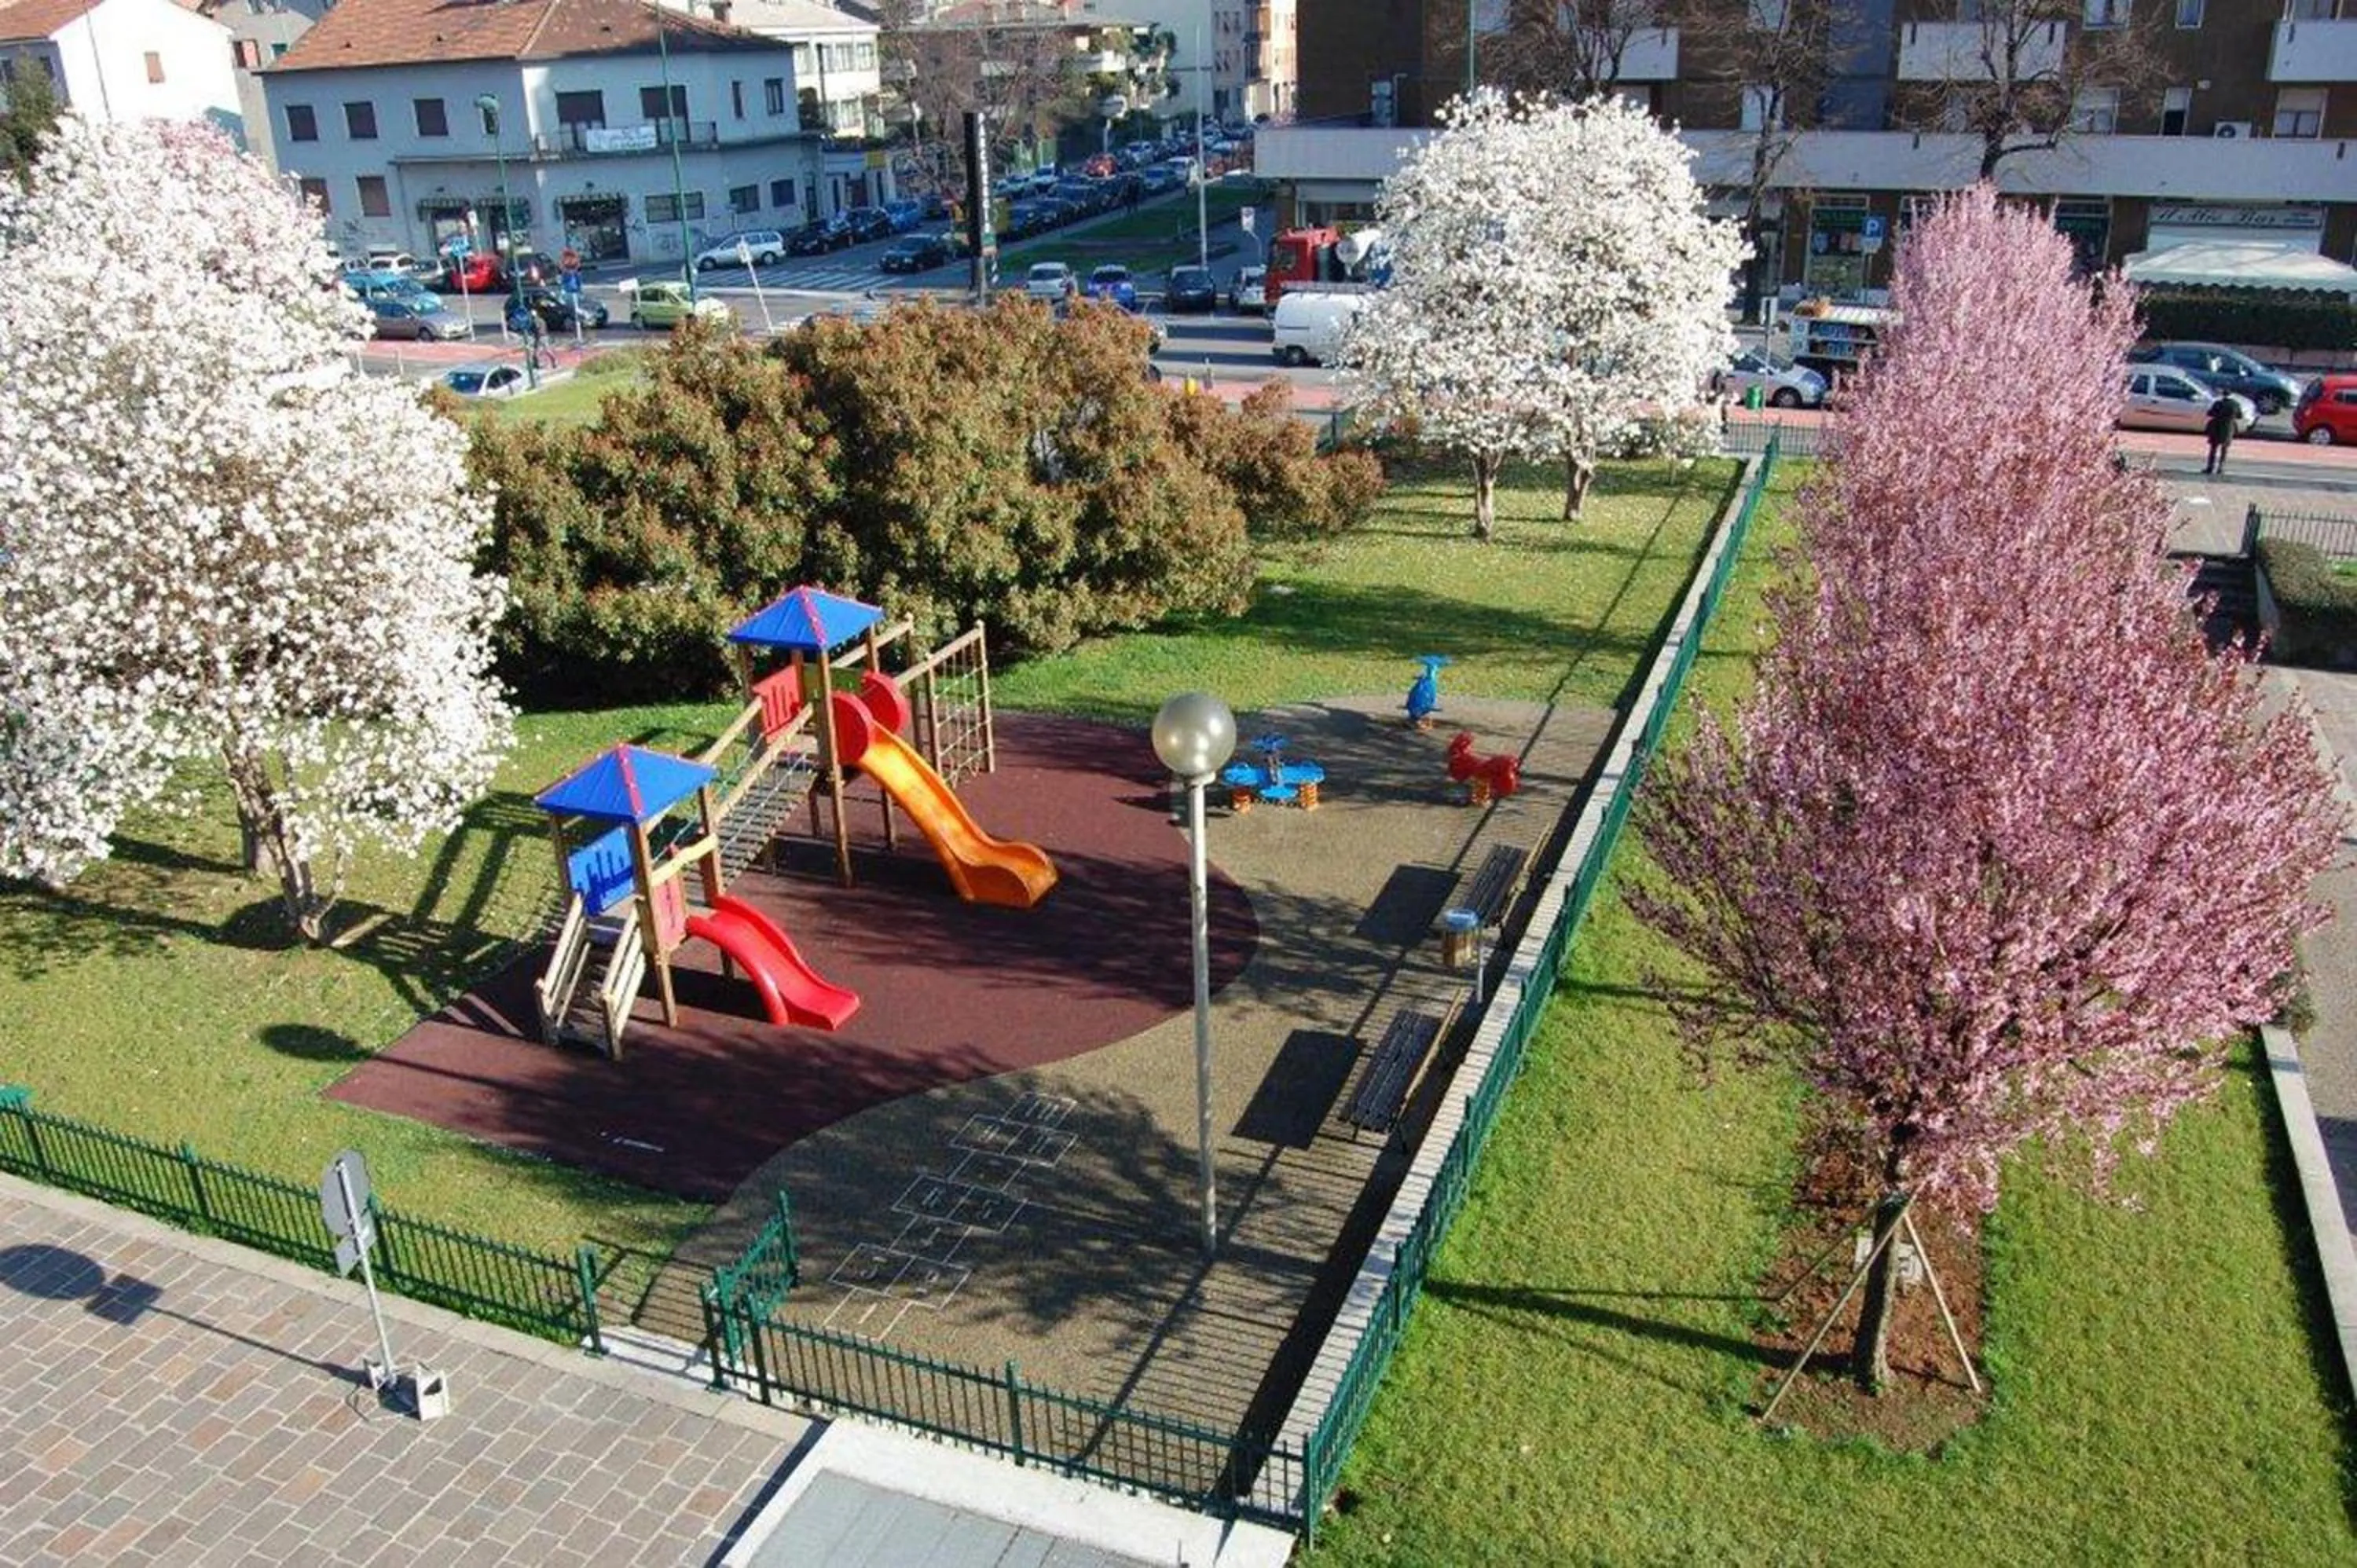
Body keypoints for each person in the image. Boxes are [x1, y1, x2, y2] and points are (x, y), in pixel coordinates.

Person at [2203, 393, 2239, 476]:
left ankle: (2210, 467)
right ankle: (2221, 468)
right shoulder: (2235, 404)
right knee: (2224, 449)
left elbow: (2210, 413)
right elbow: (2240, 415)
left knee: (2213, 449)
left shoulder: (2218, 403)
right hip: (2228, 428)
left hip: (2217, 427)